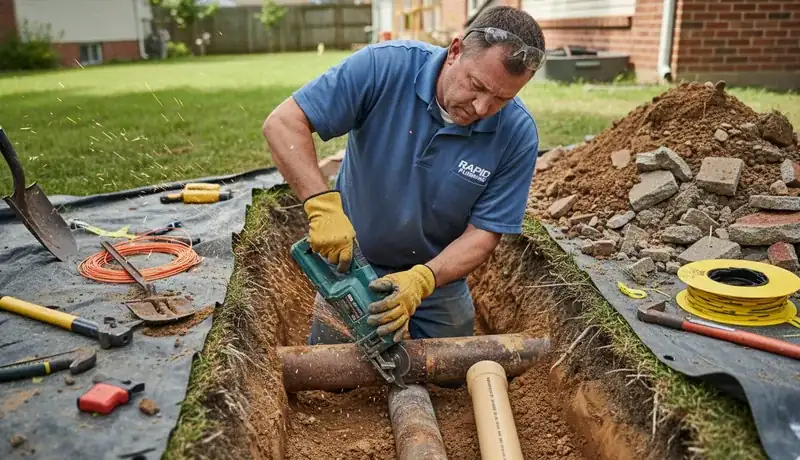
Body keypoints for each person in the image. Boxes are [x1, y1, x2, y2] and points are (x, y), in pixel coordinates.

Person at [262, 6, 545, 345]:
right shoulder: (385, 68)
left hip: (436, 276)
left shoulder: (516, 134)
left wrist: (424, 279)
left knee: (453, 379)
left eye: (502, 99)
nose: (482, 108)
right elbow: (283, 123)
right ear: (455, 52)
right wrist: (322, 207)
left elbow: (484, 234)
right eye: (476, 86)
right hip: (352, 264)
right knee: (332, 376)